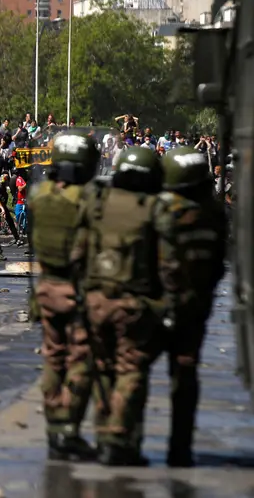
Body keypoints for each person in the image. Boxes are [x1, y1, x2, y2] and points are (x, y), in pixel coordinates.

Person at [70, 146, 177, 466]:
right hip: (133, 304)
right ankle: (119, 439)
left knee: (103, 368)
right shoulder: (154, 208)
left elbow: (77, 255)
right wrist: (167, 304)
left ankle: (103, 437)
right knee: (131, 370)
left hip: (95, 301)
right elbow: (168, 264)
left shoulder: (98, 203)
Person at [29, 132, 100, 462]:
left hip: (46, 287)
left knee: (53, 357)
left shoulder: (40, 195)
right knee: (80, 360)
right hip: (77, 289)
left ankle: (54, 429)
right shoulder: (87, 199)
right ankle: (68, 429)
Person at [157, 147, 226, 467]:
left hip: (154, 303)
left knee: (129, 368)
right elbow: (217, 265)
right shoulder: (214, 215)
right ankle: (179, 447)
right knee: (185, 376)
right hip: (193, 307)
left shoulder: (159, 209)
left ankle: (121, 441)